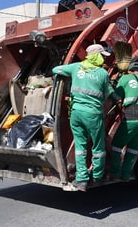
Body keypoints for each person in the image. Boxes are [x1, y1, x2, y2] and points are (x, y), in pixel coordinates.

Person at [52, 44, 114, 191]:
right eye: (102, 55)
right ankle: (97, 176)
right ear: (97, 56)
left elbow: (55, 69)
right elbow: (106, 95)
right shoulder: (103, 74)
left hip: (76, 114)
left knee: (80, 147)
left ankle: (81, 180)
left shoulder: (76, 67)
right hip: (93, 115)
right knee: (98, 147)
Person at [109, 61, 138, 181]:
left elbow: (116, 96)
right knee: (133, 147)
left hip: (131, 119)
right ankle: (126, 174)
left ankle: (115, 172)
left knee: (117, 145)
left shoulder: (125, 78)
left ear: (129, 70)